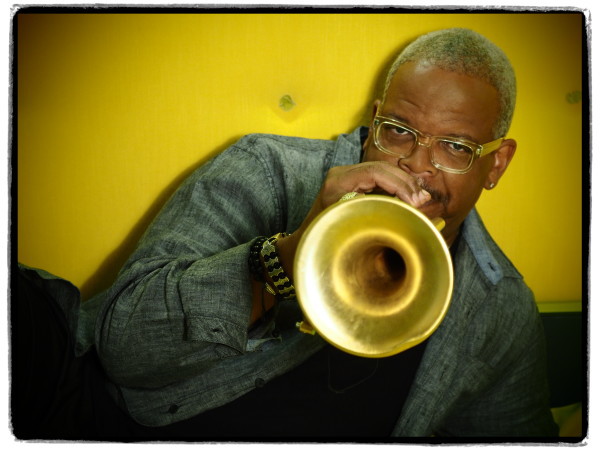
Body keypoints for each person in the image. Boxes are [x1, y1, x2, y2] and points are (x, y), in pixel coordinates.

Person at [13, 27, 559, 440]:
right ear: (374, 122)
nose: (417, 166)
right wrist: (291, 253)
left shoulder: (501, 308)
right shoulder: (266, 168)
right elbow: (124, 351)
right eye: (397, 131)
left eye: (456, 148)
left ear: (496, 164)